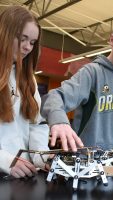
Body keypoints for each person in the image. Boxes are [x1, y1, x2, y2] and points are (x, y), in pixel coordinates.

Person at [41, 18, 113, 161]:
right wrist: (59, 121)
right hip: (86, 160)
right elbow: (55, 96)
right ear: (112, 40)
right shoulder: (91, 72)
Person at [0, 6, 49, 178]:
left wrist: (41, 157)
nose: (28, 47)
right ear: (5, 33)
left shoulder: (28, 79)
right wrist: (6, 161)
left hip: (23, 176)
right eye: (23, 39)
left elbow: (36, 124)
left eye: (32, 42)